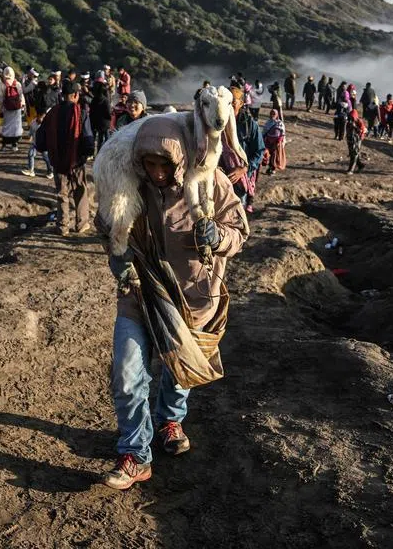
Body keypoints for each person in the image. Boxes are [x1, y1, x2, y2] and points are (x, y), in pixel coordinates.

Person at [100, 117, 249, 490]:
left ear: (180, 160)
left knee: (179, 369)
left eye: (164, 165)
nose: (157, 172)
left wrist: (219, 237)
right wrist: (118, 261)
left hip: (194, 295)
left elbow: (240, 231)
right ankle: (135, 454)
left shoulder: (209, 184)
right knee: (128, 372)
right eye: (149, 164)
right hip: (141, 292)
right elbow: (110, 229)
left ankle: (169, 420)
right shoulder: (128, 185)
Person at [36, 80, 94, 237]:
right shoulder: (81, 112)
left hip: (58, 160)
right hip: (76, 161)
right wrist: (89, 151)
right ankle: (81, 224)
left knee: (62, 194)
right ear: (75, 95)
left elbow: (41, 136)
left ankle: (63, 226)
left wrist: (43, 148)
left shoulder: (52, 112)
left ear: (62, 95)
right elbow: (87, 135)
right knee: (80, 191)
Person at [226, 86, 265, 214]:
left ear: (241, 103)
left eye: (233, 102)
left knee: (236, 215)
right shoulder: (217, 123)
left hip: (239, 179)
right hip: (220, 178)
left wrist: (243, 169)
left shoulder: (249, 125)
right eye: (226, 102)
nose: (228, 106)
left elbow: (259, 151)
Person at [0, 67, 25, 151]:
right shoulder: (17, 84)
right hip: (16, 109)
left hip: (7, 108)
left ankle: (4, 145)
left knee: (6, 126)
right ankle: (14, 145)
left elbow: (0, 99)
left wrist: (0, 110)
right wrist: (23, 107)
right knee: (15, 127)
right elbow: (21, 96)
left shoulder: (2, 84)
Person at [90, 73, 113, 152]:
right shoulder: (105, 100)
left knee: (100, 139)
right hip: (105, 123)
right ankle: (106, 152)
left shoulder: (94, 100)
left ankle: (98, 152)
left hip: (98, 123)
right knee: (107, 139)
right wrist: (110, 118)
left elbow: (91, 112)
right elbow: (108, 112)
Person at [262, 108, 286, 175]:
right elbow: (264, 132)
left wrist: (280, 140)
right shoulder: (268, 122)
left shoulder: (280, 123)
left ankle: (272, 169)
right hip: (268, 142)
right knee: (267, 155)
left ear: (277, 115)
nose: (272, 115)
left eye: (274, 114)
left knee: (274, 156)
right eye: (271, 114)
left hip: (276, 142)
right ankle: (269, 167)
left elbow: (283, 133)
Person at [346, 109, 366, 174]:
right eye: (350, 117)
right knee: (352, 153)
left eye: (352, 117)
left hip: (357, 140)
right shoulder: (349, 122)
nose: (351, 118)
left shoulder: (359, 122)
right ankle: (360, 165)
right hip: (350, 139)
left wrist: (355, 127)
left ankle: (351, 170)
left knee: (354, 154)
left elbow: (362, 131)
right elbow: (347, 130)